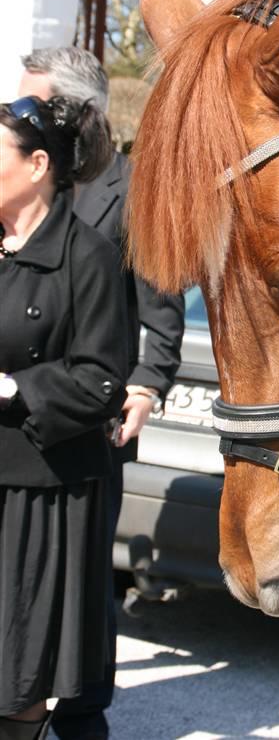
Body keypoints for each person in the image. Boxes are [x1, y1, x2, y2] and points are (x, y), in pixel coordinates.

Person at [18, 49, 185, 740]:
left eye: (37, 106)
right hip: (20, 415)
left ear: (82, 115)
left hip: (93, 417)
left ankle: (83, 713)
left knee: (85, 582)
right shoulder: (30, 177)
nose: (23, 119)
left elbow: (162, 303)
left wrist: (148, 385)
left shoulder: (133, 191)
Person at [0, 96, 127, 740]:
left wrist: (12, 389)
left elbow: (102, 381)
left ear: (36, 166)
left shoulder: (89, 257)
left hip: (41, 492)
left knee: (18, 672)